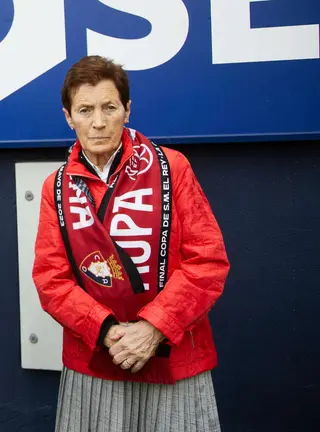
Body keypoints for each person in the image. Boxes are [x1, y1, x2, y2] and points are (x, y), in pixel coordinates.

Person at [32, 55, 230, 432]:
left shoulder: (172, 168)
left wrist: (153, 328)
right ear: (68, 117)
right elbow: (50, 279)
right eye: (85, 110)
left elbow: (207, 262)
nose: (99, 122)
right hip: (96, 360)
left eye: (109, 107)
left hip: (173, 359)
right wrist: (109, 333)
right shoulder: (56, 188)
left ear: (127, 109)